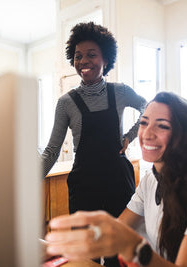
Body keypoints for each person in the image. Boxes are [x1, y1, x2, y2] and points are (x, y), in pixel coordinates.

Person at [44, 92, 187, 267]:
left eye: (162, 126)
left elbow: (125, 239)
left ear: (184, 136)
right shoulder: (151, 180)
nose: (147, 133)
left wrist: (134, 247)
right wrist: (54, 247)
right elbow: (118, 228)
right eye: (144, 123)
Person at [41, 22, 146, 266]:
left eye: (91, 55)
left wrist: (130, 135)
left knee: (116, 251)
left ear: (106, 60)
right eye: (78, 56)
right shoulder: (66, 103)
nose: (83, 61)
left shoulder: (120, 92)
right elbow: (51, 150)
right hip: (84, 183)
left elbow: (147, 107)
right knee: (85, 250)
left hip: (118, 181)